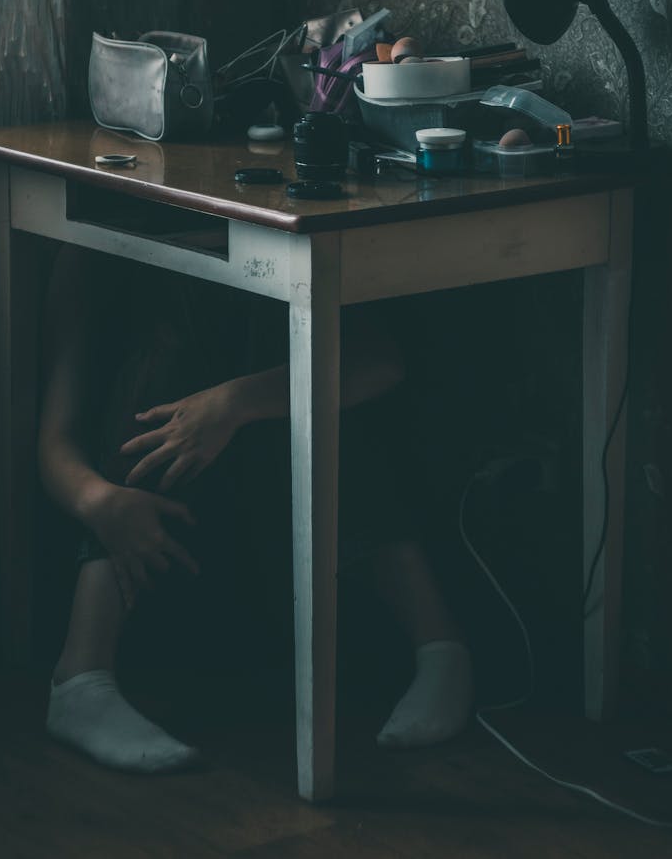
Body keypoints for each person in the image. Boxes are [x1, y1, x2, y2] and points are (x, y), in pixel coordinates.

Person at [38, 244, 474, 773]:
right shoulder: (92, 252)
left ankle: (440, 646)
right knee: (172, 361)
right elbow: (55, 443)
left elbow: (381, 362)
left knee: (306, 360)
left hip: (291, 554)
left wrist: (232, 405)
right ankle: (81, 673)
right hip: (165, 562)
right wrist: (103, 504)